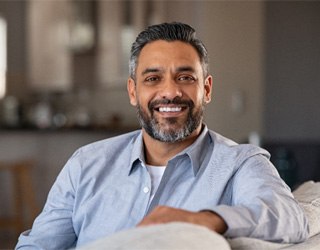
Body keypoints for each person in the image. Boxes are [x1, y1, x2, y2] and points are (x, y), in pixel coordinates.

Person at [16, 22, 308, 249]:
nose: (170, 92)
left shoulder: (241, 163)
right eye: (153, 79)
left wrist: (204, 219)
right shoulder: (86, 163)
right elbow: (38, 245)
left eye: (185, 77)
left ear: (206, 89)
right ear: (133, 91)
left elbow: (290, 218)